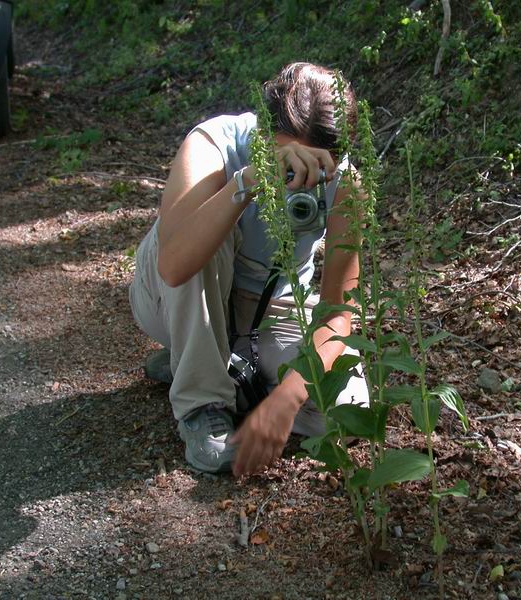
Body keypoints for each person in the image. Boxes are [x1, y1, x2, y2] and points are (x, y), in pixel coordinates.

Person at [129, 62, 369, 477]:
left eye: (316, 171)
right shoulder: (213, 143)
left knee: (346, 410)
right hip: (171, 296)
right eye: (290, 161)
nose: (301, 181)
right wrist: (245, 184)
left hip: (266, 309)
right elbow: (173, 266)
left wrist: (291, 395)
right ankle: (202, 401)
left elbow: (337, 313)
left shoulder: (346, 184)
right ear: (262, 132)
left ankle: (210, 365)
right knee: (212, 231)